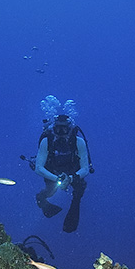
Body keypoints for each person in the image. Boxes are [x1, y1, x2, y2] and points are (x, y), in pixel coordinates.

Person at [31, 96, 92, 233]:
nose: (61, 133)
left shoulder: (79, 142)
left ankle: (73, 212)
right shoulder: (47, 141)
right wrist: (57, 179)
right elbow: (38, 168)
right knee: (51, 191)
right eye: (58, 129)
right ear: (53, 128)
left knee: (79, 189)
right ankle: (41, 198)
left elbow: (85, 168)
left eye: (65, 129)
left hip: (73, 172)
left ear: (70, 129)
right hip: (52, 171)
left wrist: (71, 178)